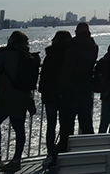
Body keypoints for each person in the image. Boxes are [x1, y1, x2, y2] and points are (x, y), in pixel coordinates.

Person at [0, 30, 37, 172]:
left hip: (6, 97)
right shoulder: (27, 56)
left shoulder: (7, 54)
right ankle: (16, 160)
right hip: (23, 98)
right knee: (19, 129)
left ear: (12, 41)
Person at [57, 22, 99, 152]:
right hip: (86, 88)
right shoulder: (93, 46)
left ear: (77, 32)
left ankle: (64, 153)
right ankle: (88, 152)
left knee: (67, 125)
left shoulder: (72, 46)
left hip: (71, 89)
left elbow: (67, 68)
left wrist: (61, 87)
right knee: (86, 123)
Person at [38, 30, 71, 167]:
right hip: (64, 94)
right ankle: (64, 150)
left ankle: (50, 152)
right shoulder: (69, 55)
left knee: (51, 124)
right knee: (66, 124)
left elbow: (44, 75)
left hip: (49, 94)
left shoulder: (50, 55)